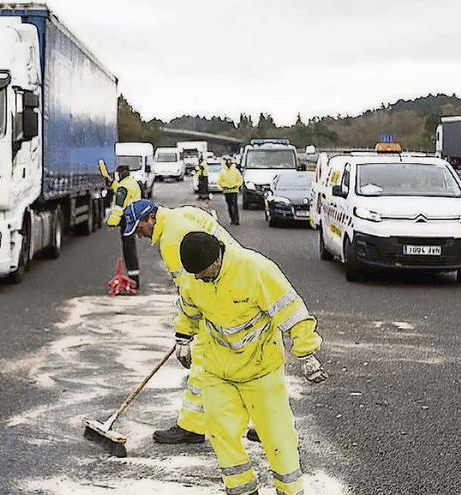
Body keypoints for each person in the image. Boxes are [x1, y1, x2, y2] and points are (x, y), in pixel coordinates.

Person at [174, 231, 328, 495]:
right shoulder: (193, 278)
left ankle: (290, 490)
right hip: (217, 369)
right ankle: (242, 490)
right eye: (194, 274)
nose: (198, 278)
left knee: (278, 438)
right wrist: (183, 339)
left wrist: (306, 354)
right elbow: (189, 309)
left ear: (217, 258)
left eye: (202, 271)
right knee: (221, 433)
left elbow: (291, 311)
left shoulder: (256, 270)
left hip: (260, 370)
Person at [123, 199, 240, 444]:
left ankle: (192, 427)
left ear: (151, 218)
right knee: (242, 361)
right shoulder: (182, 213)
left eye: (139, 228)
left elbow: (189, 291)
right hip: (232, 283)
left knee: (205, 359)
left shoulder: (172, 240)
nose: (140, 235)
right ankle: (259, 422)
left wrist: (184, 334)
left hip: (223, 295)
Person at [106, 163, 143, 289]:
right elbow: (123, 192)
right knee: (130, 248)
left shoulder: (123, 187)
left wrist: (111, 223)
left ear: (120, 173)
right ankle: (134, 278)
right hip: (133, 219)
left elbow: (118, 208)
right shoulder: (132, 183)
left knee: (128, 250)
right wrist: (113, 184)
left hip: (126, 221)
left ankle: (133, 281)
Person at [217, 158, 243, 225]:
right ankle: (232, 219)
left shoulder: (236, 171)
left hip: (234, 191)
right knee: (229, 206)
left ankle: (237, 219)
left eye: (230, 163)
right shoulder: (222, 171)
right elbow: (220, 181)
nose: (228, 164)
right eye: (227, 163)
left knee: (234, 205)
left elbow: (240, 180)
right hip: (227, 191)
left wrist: (236, 185)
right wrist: (224, 186)